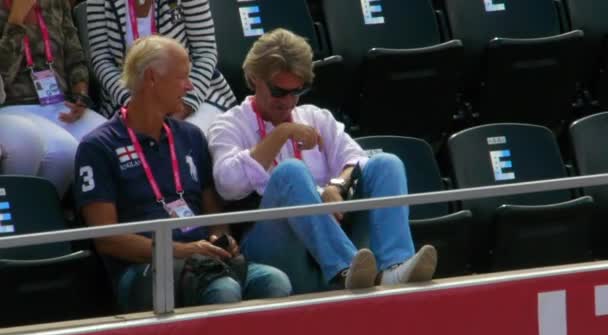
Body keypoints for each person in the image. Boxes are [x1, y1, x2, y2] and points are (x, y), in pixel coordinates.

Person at [208, 29, 438, 295]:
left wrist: (337, 186)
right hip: (273, 244)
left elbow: (357, 159)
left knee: (387, 164)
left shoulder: (315, 117)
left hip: (334, 234)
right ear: (252, 79)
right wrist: (282, 133)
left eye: (297, 91)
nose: (288, 102)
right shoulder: (229, 124)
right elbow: (227, 185)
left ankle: (394, 267)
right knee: (290, 172)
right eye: (278, 92)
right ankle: (347, 267)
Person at [74, 35, 291, 312]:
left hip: (203, 259)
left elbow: (214, 214)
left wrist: (219, 239)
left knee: (275, 282)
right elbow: (107, 239)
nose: (190, 86)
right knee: (224, 289)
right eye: (182, 77)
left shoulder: (190, 136)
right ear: (152, 78)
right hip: (144, 269)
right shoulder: (98, 146)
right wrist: (181, 250)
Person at [0, 0, 106, 195]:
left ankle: (72, 216)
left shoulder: (56, 3)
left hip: (59, 101)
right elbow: (3, 77)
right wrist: (16, 20)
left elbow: (75, 55)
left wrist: (80, 95)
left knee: (109, 140)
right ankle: (35, 215)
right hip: (13, 104)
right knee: (64, 152)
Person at [87, 0, 236, 135]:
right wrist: (134, 104)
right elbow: (101, 58)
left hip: (193, 92)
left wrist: (184, 106)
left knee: (185, 138)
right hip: (127, 100)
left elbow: (205, 51)